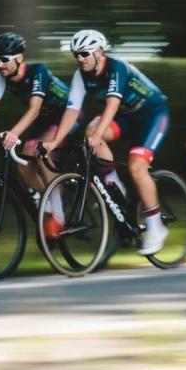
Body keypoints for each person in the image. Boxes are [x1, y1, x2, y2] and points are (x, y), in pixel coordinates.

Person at [42, 29, 169, 255]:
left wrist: (98, 135)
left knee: (136, 167)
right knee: (90, 131)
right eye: (76, 55)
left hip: (152, 115)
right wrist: (54, 142)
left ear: (99, 52)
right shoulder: (80, 75)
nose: (80, 59)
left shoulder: (116, 68)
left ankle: (156, 226)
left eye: (84, 53)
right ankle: (113, 182)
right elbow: (72, 110)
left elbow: (112, 104)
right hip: (126, 116)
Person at [0, 32, 74, 238]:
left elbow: (34, 109)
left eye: (4, 59)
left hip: (67, 115)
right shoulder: (2, 76)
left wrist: (14, 133)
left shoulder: (38, 71)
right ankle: (49, 200)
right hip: (46, 118)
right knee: (23, 166)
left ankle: (59, 217)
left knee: (41, 154)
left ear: (20, 58)